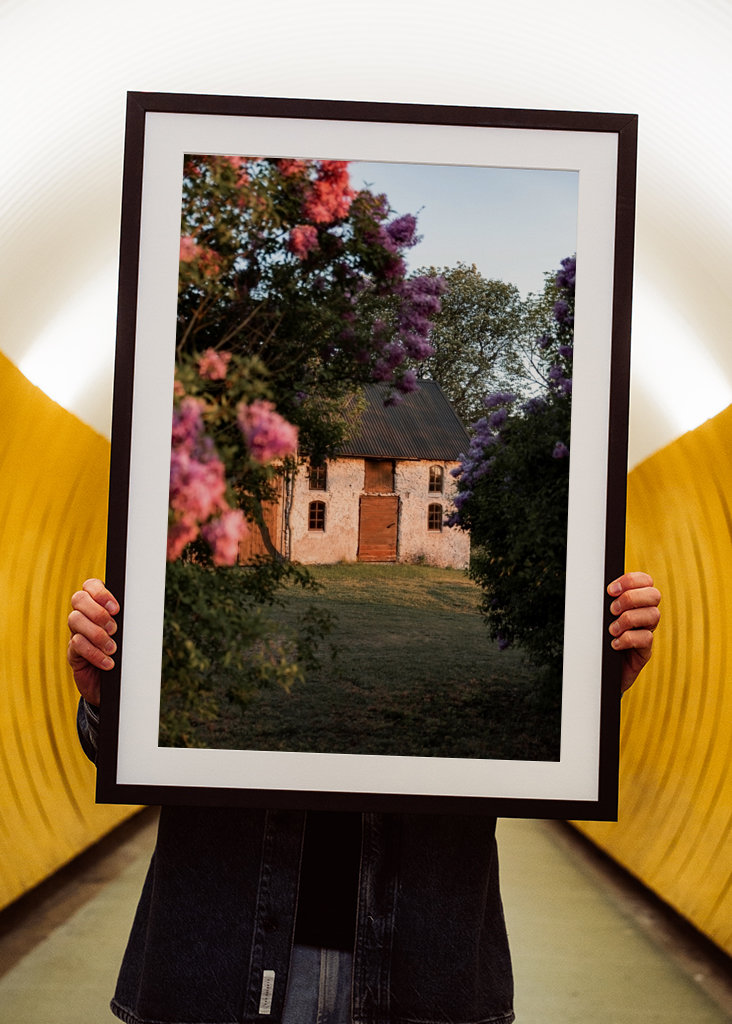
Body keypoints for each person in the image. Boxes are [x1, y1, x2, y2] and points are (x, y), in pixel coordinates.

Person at [68, 572, 661, 1024]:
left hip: (423, 968)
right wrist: (109, 702)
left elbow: (539, 752)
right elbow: (123, 752)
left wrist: (585, 695)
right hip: (218, 960)